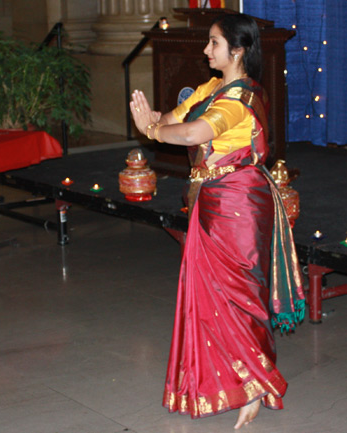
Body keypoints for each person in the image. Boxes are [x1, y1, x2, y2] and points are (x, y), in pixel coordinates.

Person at [130, 13, 305, 430]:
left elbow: (193, 135)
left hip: (240, 205)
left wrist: (152, 132)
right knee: (208, 296)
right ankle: (226, 380)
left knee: (240, 296)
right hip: (210, 203)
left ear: (238, 50)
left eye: (214, 43)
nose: (206, 50)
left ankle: (262, 382)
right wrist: (154, 122)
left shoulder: (239, 102)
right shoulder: (213, 88)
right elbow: (177, 120)